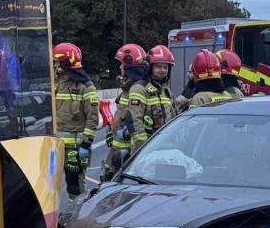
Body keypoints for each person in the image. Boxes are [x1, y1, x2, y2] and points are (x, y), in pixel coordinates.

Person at [51, 41, 98, 196]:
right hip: (54, 147)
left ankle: (76, 214)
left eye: (56, 62)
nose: (54, 66)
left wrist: (86, 144)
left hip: (76, 149)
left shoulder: (86, 87)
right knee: (51, 185)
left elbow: (92, 118)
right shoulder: (54, 84)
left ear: (65, 63)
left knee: (75, 186)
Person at [105, 42, 148, 179]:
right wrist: (113, 131)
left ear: (128, 65)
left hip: (127, 154)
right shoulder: (127, 88)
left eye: (121, 64)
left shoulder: (136, 89)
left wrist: (137, 155)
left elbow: (136, 121)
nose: (119, 67)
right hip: (118, 150)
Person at [145, 45, 179, 132]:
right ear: (150, 67)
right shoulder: (143, 89)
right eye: (158, 66)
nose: (162, 70)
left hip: (166, 137)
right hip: (151, 140)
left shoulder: (166, 90)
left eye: (165, 67)